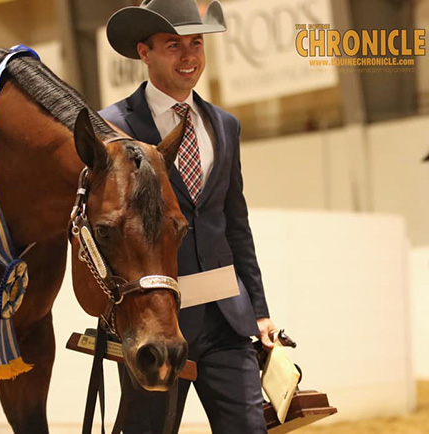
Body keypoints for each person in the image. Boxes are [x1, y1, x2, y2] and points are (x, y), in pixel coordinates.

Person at [99, 0, 278, 432]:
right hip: (155, 324)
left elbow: (235, 224)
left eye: (196, 43)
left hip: (227, 320)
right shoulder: (112, 127)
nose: (189, 56)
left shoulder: (225, 125)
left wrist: (259, 309)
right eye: (173, 45)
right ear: (145, 52)